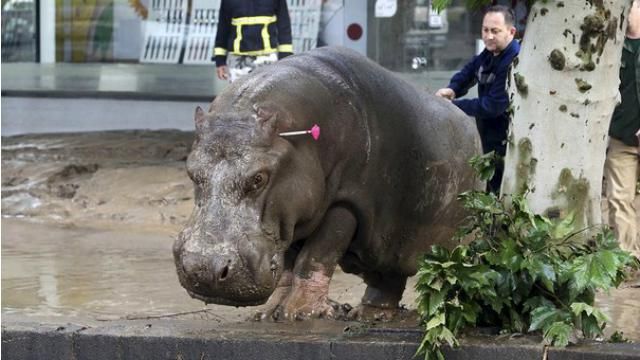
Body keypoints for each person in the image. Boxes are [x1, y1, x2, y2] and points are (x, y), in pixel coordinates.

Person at [435, 5, 520, 193]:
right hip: (489, 138)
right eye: (485, 30)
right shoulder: (490, 52)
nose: (488, 36)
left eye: (495, 31)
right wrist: (452, 89)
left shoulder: (514, 59)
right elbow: (470, 71)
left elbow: (493, 106)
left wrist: (453, 106)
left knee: (501, 192)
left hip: (508, 142)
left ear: (511, 31)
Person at [604, 0, 640, 257]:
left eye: (632, 4)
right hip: (621, 137)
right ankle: (629, 260)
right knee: (618, 199)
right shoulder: (610, 47)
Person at [212, 0, 293, 83]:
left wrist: (285, 59)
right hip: (238, 62)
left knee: (268, 95)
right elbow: (223, 29)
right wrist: (220, 61)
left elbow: (284, 27)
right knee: (239, 95)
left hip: (267, 59)